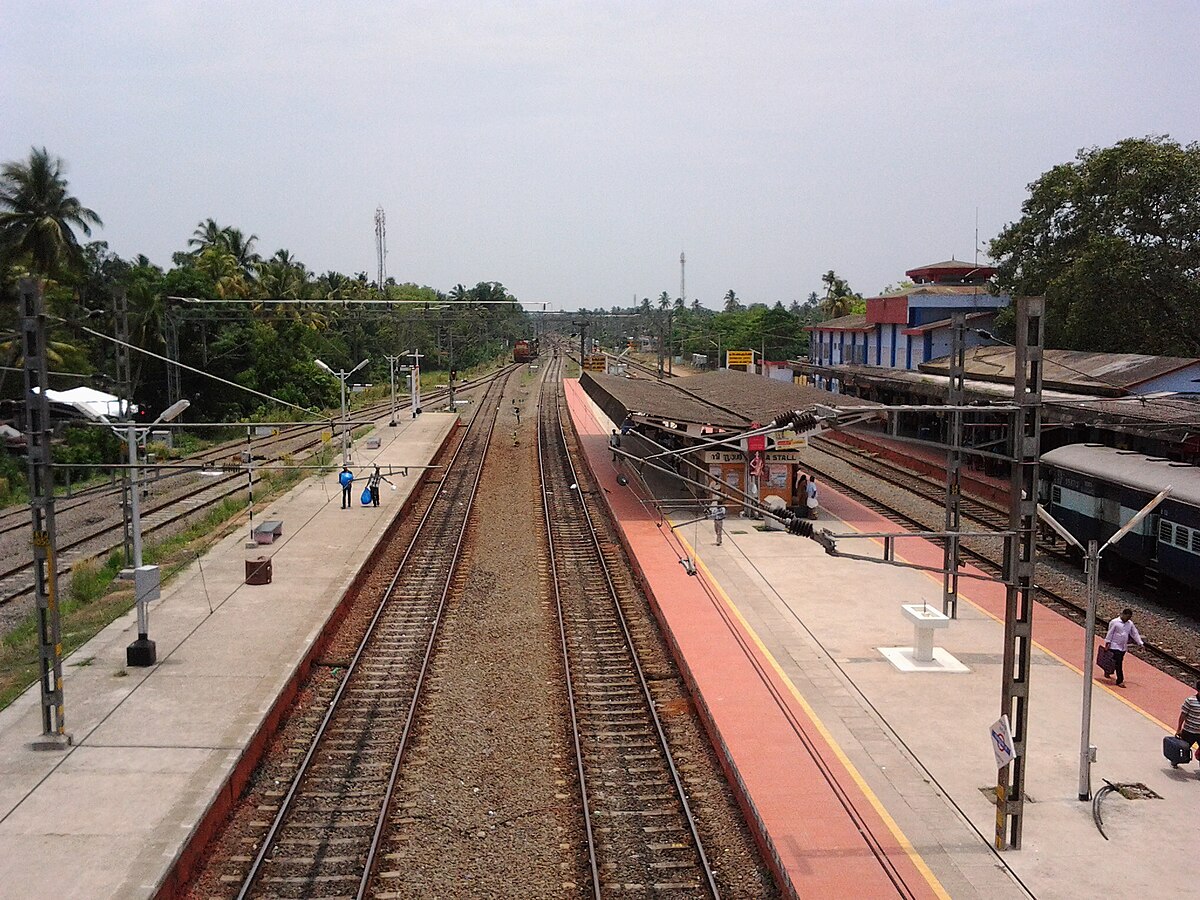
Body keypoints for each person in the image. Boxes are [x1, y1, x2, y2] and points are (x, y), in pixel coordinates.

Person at [1103, 608, 1144, 687]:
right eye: (1127, 617)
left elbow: (1134, 633)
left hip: (1123, 647)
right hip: (1114, 646)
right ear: (1123, 614)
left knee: (1115, 662)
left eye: (1129, 618)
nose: (1127, 619)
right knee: (1119, 663)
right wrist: (1107, 643)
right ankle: (1120, 680)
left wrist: (1140, 643)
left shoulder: (1130, 624)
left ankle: (1108, 670)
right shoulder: (1114, 622)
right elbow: (1110, 633)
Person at [1176, 679, 1200, 753]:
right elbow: (1183, 715)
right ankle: (1175, 760)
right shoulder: (1190, 701)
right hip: (1189, 732)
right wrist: (1179, 728)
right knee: (1183, 751)